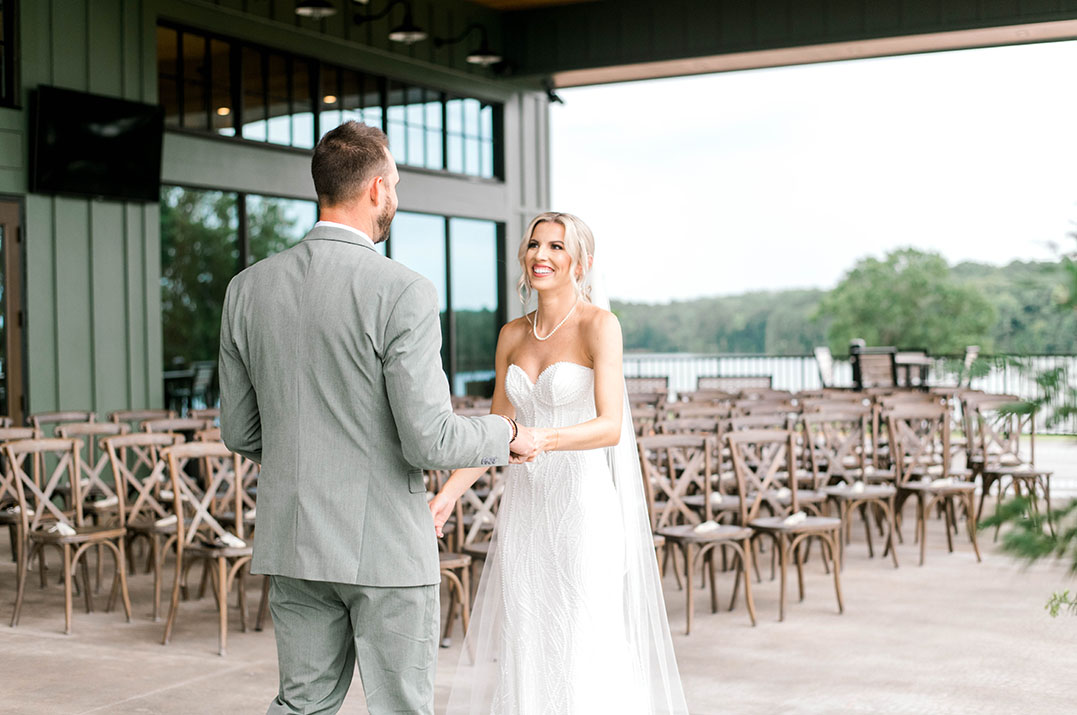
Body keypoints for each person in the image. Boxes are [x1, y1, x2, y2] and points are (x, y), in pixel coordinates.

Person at [218, 120, 538, 715]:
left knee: (301, 704)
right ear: (375, 190)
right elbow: (429, 439)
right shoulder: (403, 291)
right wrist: (509, 434)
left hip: (294, 540)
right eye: (395, 183)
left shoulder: (246, 288)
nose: (396, 195)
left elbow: (239, 431)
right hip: (386, 545)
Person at [431, 212, 689, 714]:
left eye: (556, 246)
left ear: (581, 262)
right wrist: (446, 496)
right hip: (527, 512)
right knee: (527, 637)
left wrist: (543, 439)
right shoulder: (511, 335)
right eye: (533, 245)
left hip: (583, 510)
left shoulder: (600, 325)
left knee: (582, 637)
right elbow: (495, 432)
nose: (541, 255)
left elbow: (611, 426)